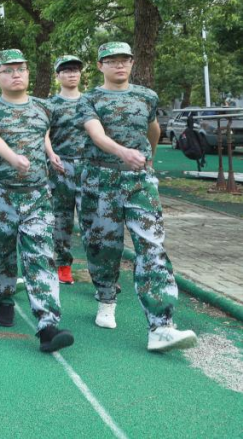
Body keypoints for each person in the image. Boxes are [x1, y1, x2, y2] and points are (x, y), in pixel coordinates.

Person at [77, 42, 197, 352]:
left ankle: (161, 325)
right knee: (103, 247)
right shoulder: (90, 98)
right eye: (111, 60)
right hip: (100, 180)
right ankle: (106, 297)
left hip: (139, 181)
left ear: (132, 63)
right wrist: (123, 152)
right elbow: (96, 134)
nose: (119, 65)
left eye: (124, 60)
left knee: (152, 247)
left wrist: (148, 160)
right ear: (100, 65)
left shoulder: (147, 96)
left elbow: (153, 129)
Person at [0, 50, 74, 353]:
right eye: (8, 70)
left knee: (40, 255)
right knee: (1, 252)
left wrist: (50, 153)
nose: (16, 74)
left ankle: (48, 325)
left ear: (28, 73)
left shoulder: (43, 107)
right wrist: (13, 158)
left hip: (37, 194)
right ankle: (4, 298)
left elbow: (42, 134)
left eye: (21, 69)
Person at [45, 55, 85, 285]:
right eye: (67, 70)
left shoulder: (90, 102)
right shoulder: (51, 104)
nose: (72, 74)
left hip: (88, 167)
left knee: (94, 220)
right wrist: (51, 156)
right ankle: (63, 265)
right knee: (62, 219)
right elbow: (44, 134)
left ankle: (101, 270)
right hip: (61, 167)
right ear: (58, 75)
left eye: (75, 70)